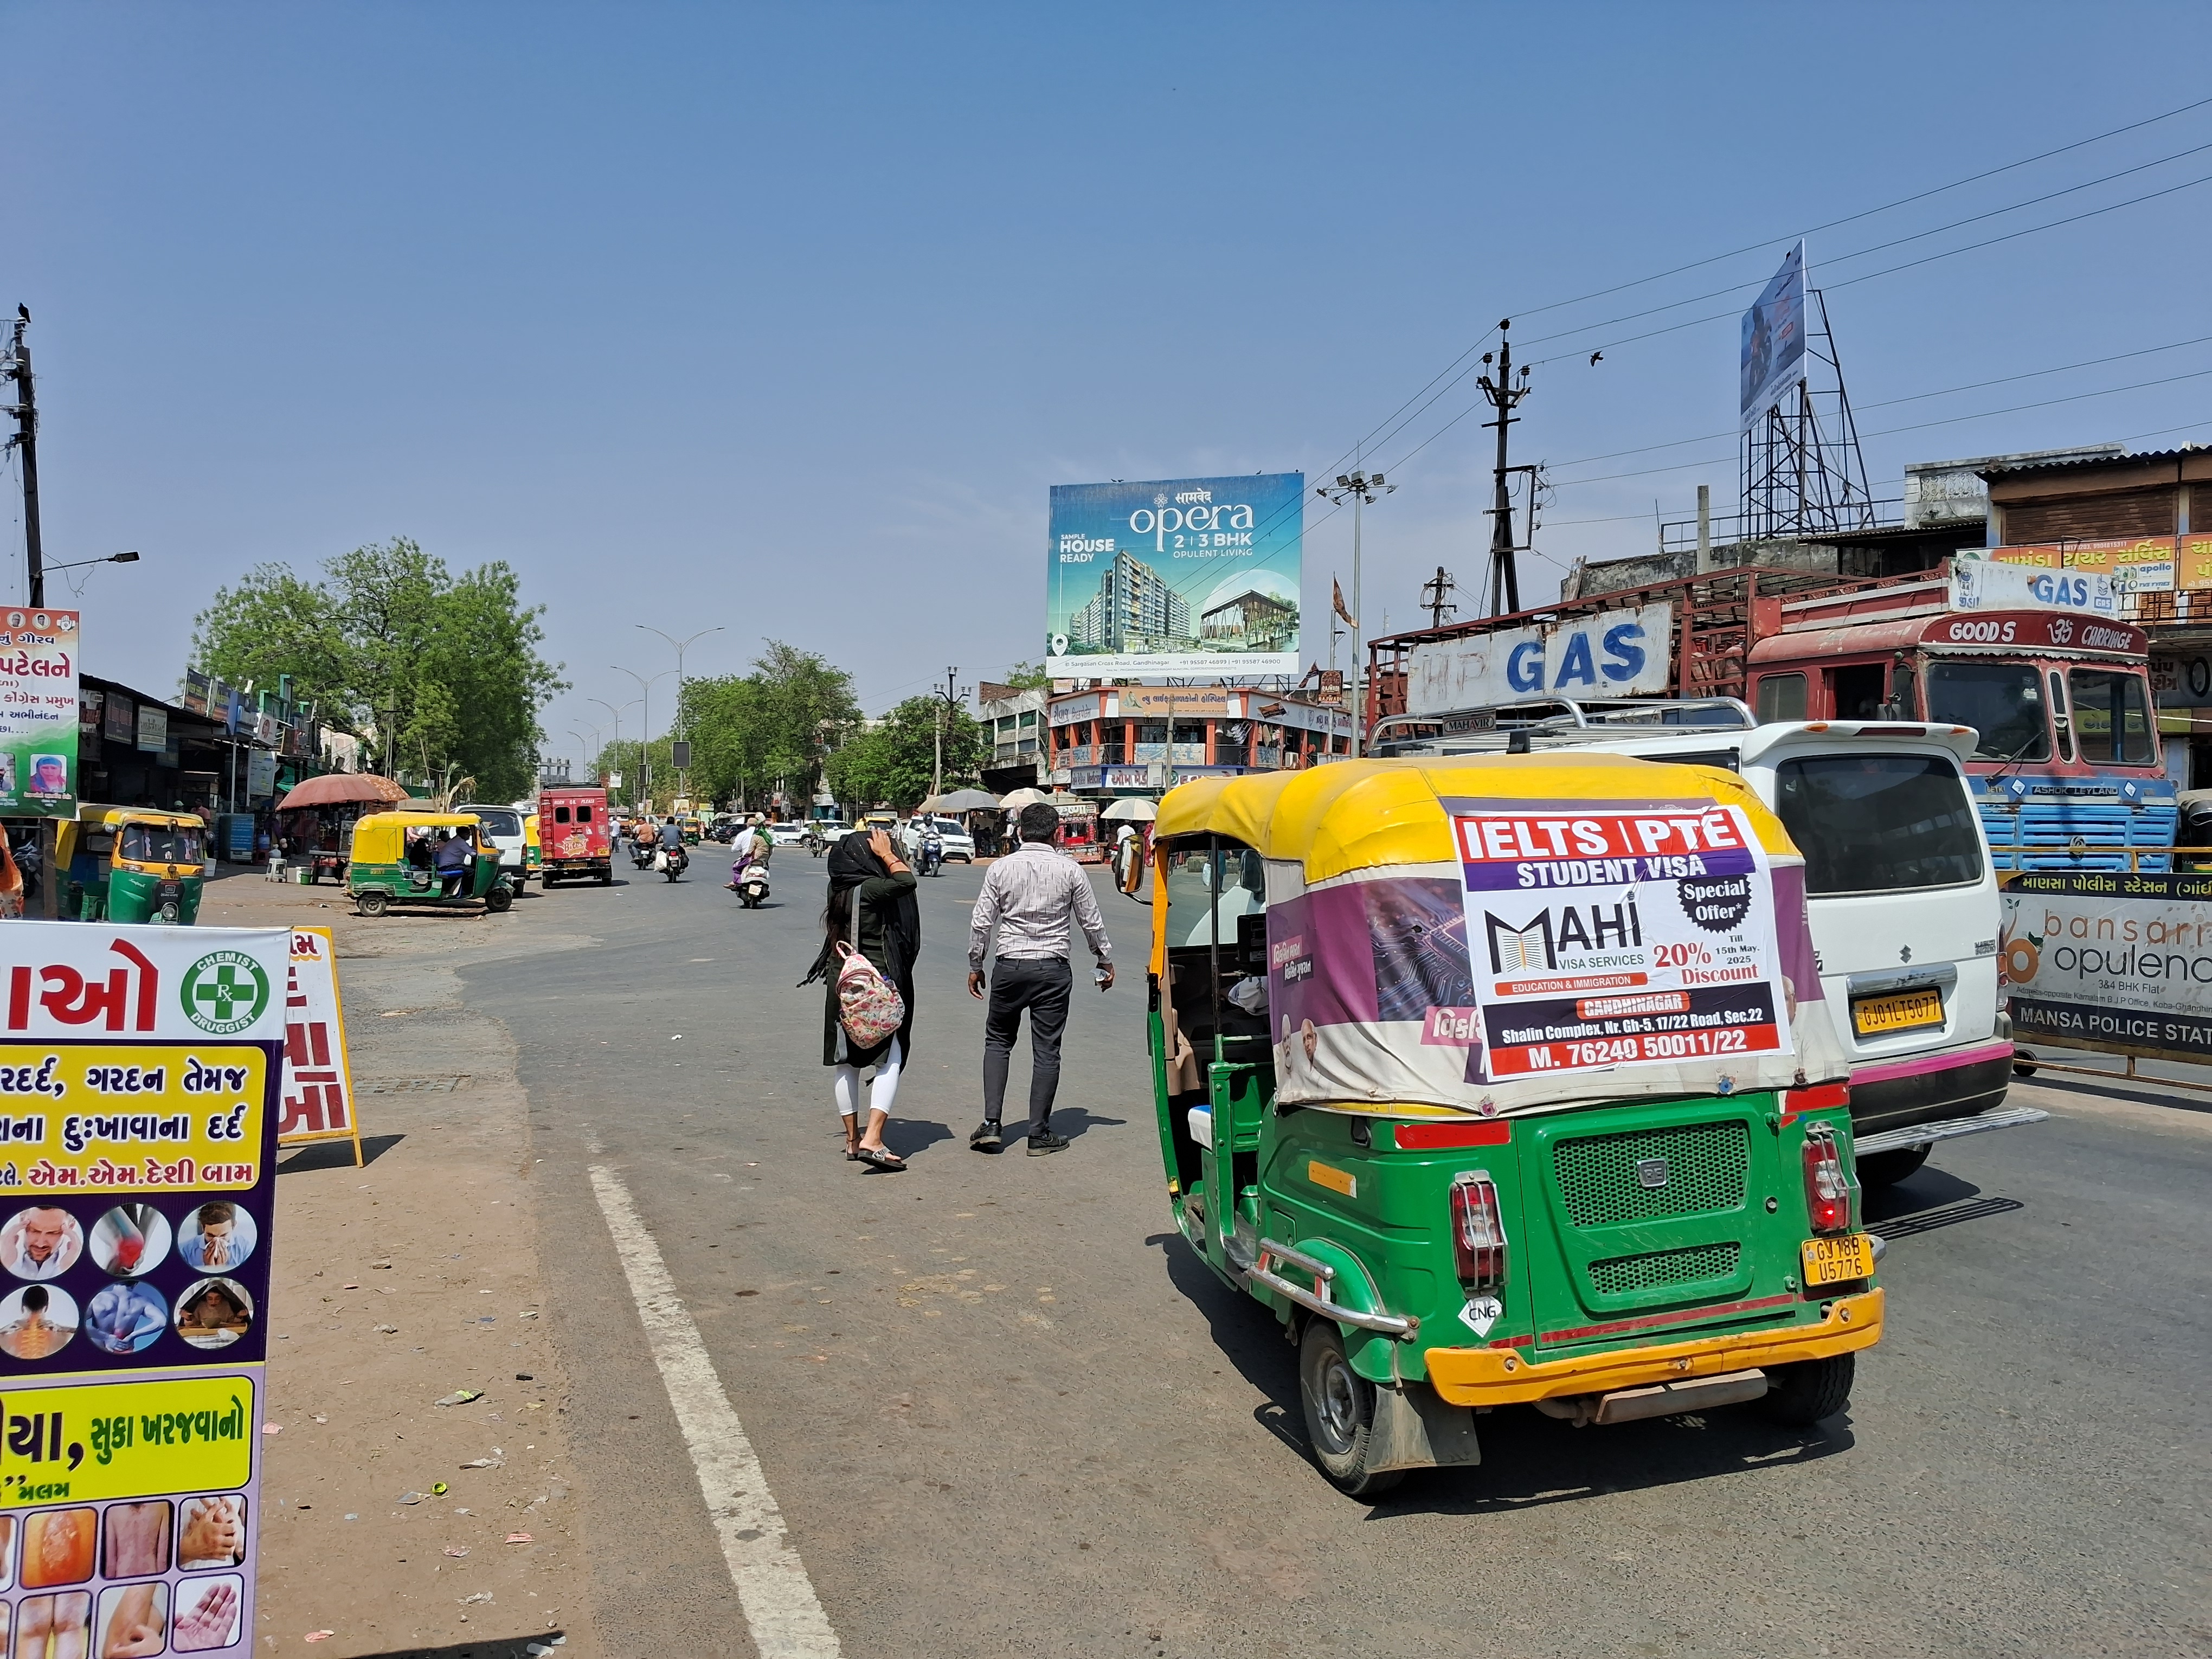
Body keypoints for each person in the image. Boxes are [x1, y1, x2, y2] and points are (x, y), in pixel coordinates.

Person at [967, 801, 1113, 1155]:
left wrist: (976, 964)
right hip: (1052, 968)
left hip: (1009, 966)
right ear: (1056, 833)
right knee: (1047, 1049)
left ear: (1020, 831)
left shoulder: (1001, 869)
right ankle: (1038, 1133)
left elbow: (981, 922)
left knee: (998, 1042)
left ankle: (991, 1125)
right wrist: (1104, 958)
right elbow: (1090, 921)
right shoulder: (1071, 870)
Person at [800, 829, 918, 1172]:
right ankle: (874, 1138)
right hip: (875, 986)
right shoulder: (871, 890)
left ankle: (853, 1140)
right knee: (890, 1058)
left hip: (841, 983)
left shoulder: (837, 888)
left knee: (846, 1061)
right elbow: (906, 882)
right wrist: (888, 855)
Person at [2, 1208, 80, 1279]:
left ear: (71, 1226)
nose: (40, 1244)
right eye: (34, 1231)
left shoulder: (77, 1260)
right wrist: (5, 1262)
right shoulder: (4, 1252)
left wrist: (71, 1270)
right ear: (22, 1220)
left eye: (53, 1233)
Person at [433, 829, 471, 896]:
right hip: (447, 867)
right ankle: (466, 891)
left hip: (447, 865)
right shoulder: (459, 842)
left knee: (467, 868)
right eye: (468, 834)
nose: (469, 836)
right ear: (463, 834)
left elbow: (470, 850)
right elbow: (472, 853)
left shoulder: (457, 840)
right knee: (471, 871)